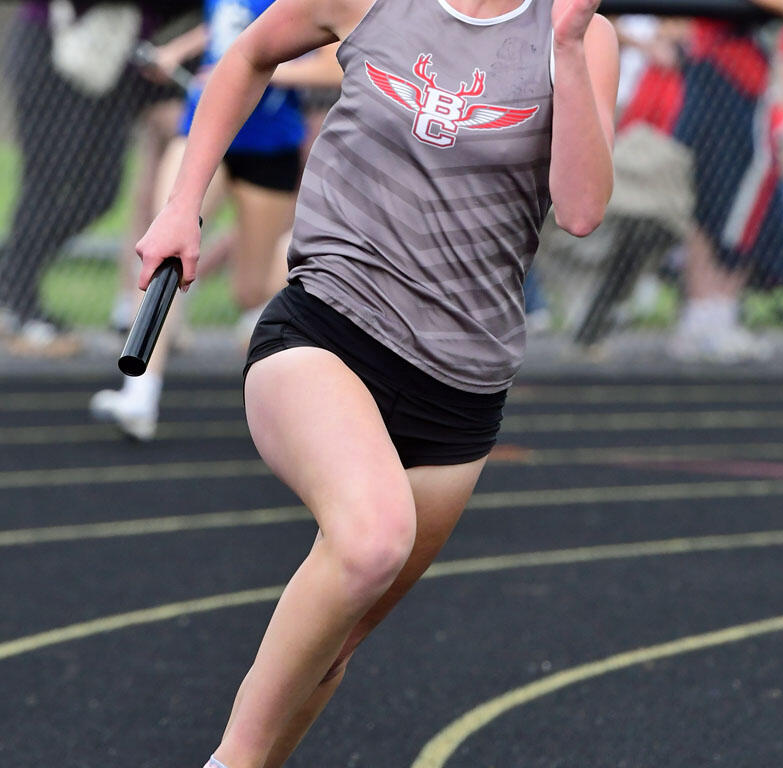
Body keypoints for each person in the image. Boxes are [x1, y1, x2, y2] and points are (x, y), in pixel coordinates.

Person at [135, 0, 618, 765]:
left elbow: (584, 209)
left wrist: (565, 42)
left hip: (462, 387)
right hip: (329, 327)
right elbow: (246, 57)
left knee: (331, 648)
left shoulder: (582, 35)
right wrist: (181, 207)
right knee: (370, 542)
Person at [89, 1, 341, 441]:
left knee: (252, 290)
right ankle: (140, 391)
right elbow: (223, 25)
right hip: (204, 131)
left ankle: (319, 259)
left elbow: (333, 67)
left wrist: (257, 68)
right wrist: (176, 52)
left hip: (268, 146)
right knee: (163, 242)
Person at [0, 0, 199, 356]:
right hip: (54, 47)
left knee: (102, 191)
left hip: (114, 60)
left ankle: (10, 271)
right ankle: (18, 301)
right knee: (44, 182)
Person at [668, 5, 783, 362]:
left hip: (734, 75)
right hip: (725, 74)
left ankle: (713, 317)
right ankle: (706, 318)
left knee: (730, 198)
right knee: (719, 199)